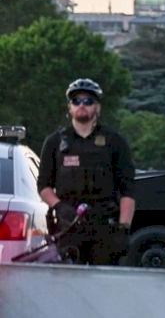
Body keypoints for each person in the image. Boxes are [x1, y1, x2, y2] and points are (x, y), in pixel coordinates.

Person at [37, 78, 135, 265]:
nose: (82, 105)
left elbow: (128, 189)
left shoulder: (115, 142)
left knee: (102, 286)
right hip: (69, 226)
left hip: (105, 226)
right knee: (70, 286)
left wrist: (123, 228)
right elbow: (43, 185)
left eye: (88, 101)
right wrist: (59, 206)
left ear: (97, 108)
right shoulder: (55, 143)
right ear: (69, 108)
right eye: (76, 101)